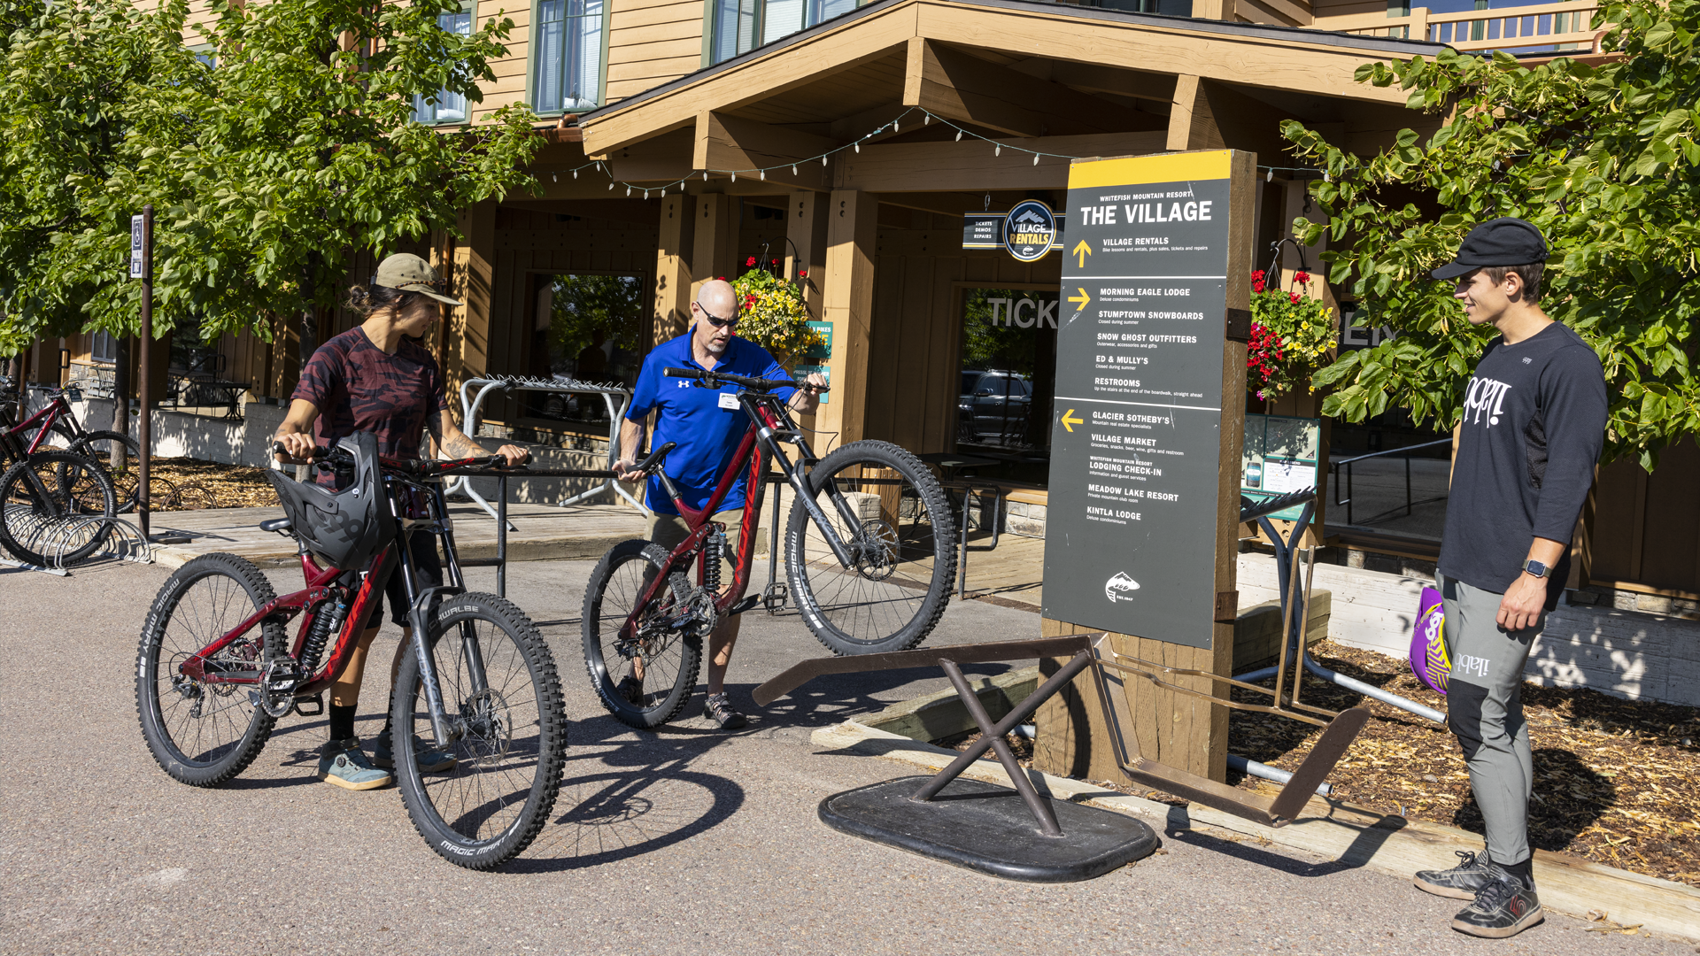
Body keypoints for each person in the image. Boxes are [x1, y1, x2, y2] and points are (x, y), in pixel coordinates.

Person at [1413, 218, 1607, 938]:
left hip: (1509, 576)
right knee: (1499, 713)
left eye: (1469, 280)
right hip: (1466, 567)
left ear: (1511, 282)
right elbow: (1475, 457)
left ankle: (1515, 884)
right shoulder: (1498, 355)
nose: (1459, 292)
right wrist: (1443, 569)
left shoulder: (1569, 365)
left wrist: (1535, 574)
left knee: (1474, 712)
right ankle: (1501, 860)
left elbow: (1568, 480)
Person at [273, 253, 530, 790]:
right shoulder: (336, 355)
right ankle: (340, 746)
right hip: (350, 512)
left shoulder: (423, 363)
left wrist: (490, 455)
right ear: (398, 302)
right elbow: (297, 415)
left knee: (424, 625)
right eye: (429, 306)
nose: (436, 316)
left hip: (411, 511)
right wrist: (292, 436)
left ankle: (395, 738)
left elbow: (448, 436)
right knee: (358, 632)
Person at [613, 279, 825, 729]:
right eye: (716, 321)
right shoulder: (663, 360)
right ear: (695, 311)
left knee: (726, 597)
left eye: (732, 322)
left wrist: (812, 388)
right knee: (660, 587)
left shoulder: (751, 358)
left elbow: (798, 403)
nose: (725, 330)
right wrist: (629, 456)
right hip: (674, 496)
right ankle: (635, 674)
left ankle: (715, 694)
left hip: (728, 497)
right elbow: (635, 417)